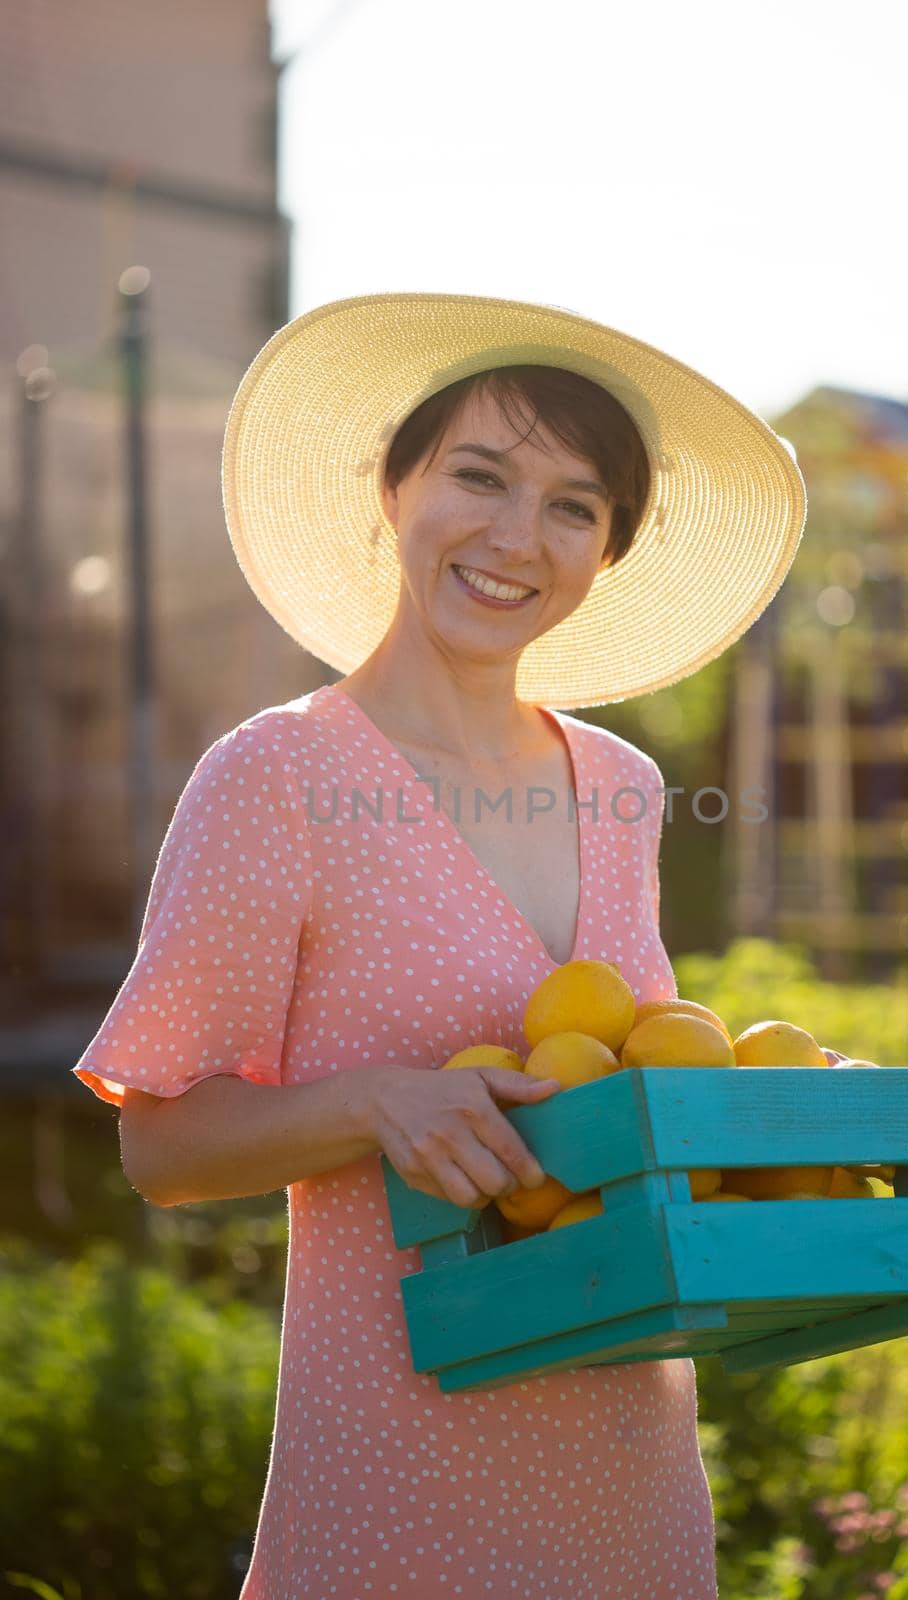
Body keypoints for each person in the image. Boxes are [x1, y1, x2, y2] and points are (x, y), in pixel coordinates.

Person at [71, 291, 808, 1599]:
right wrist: (373, 1104)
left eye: (574, 506)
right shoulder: (277, 777)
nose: (517, 535)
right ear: (393, 488)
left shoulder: (624, 788)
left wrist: (789, 1133)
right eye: (479, 474)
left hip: (630, 1474)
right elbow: (159, 1145)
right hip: (402, 1479)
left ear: (605, 551)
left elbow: (632, 1105)